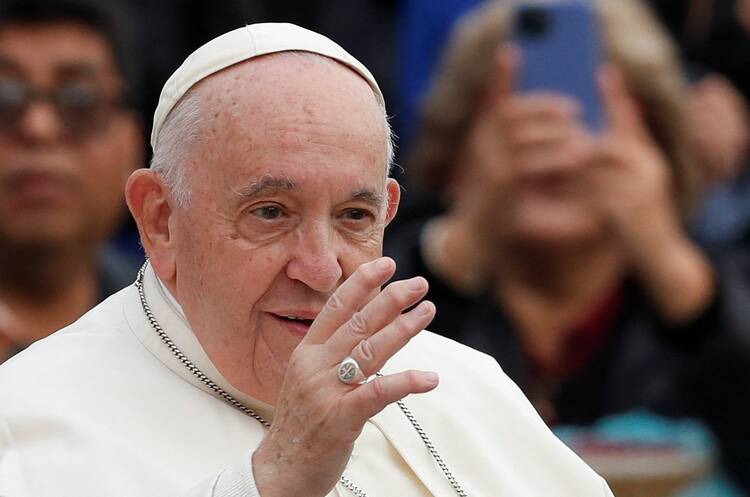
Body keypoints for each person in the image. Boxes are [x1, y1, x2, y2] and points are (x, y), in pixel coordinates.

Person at [0, 23, 614, 497]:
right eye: (270, 212)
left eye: (354, 217)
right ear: (160, 219)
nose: (320, 270)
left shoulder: (464, 382)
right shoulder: (26, 422)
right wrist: (272, 481)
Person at [385, 0, 750, 492]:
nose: (557, 148)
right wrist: (458, 250)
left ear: (660, 149)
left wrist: (676, 272)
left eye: (590, 113)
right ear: (456, 148)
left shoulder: (717, 296)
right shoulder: (372, 284)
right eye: (517, 112)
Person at [0, 0, 143, 362]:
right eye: (4, 99)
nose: (39, 127)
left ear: (133, 143)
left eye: (80, 101)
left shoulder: (185, 332)